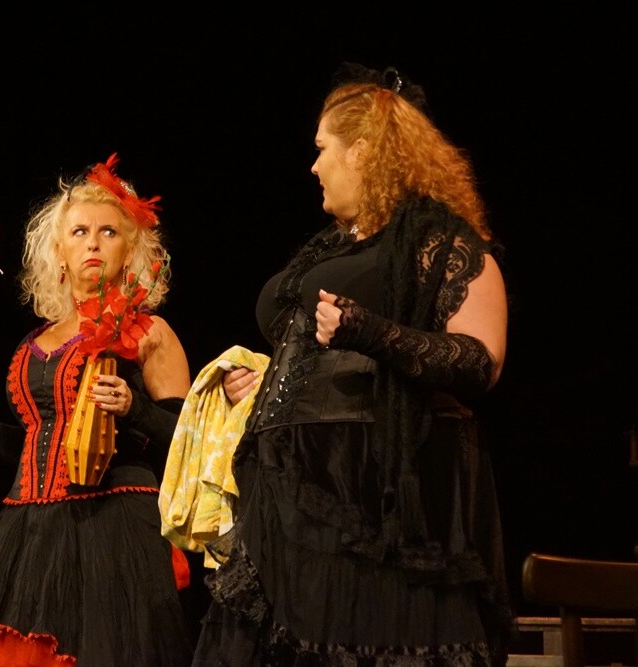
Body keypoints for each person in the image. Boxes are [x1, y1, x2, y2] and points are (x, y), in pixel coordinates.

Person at [190, 63, 514, 666]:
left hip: (371, 493)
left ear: (362, 150)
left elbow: (479, 361)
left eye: (322, 148)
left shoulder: (440, 243)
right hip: (290, 490)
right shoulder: (333, 244)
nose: (314, 166)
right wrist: (263, 380)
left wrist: (372, 332)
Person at [0, 154, 193, 667]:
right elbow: (32, 443)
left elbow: (189, 439)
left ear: (130, 250)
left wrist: (134, 408)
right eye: (79, 232)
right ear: (59, 252)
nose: (93, 243)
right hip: (29, 529)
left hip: (114, 525)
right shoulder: (36, 341)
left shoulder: (149, 332)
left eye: (108, 232)